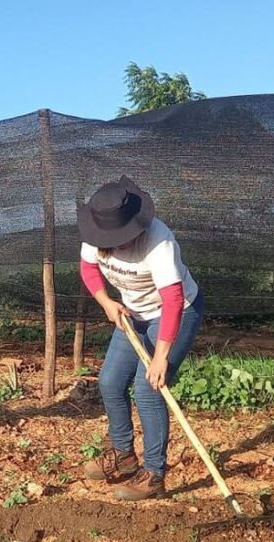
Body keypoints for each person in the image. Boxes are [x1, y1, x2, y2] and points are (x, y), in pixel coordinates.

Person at [76, 175, 204, 500]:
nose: (117, 242)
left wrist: (161, 356)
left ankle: (154, 475)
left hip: (175, 312)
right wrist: (107, 302)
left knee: (148, 390)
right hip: (133, 313)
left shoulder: (159, 241)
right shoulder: (95, 235)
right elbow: (88, 269)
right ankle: (123, 455)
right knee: (109, 382)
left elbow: (173, 300)